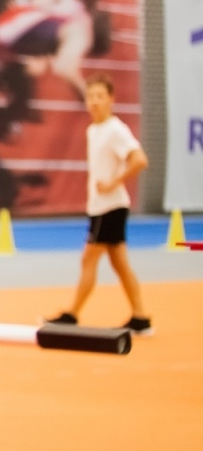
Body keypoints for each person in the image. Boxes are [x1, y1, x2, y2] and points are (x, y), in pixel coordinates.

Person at [47, 73, 151, 336]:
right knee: (119, 263)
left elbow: (139, 160)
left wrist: (114, 182)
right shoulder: (93, 130)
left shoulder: (116, 130)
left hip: (110, 207)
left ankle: (72, 314)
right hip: (101, 207)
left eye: (99, 97)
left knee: (89, 258)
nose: (93, 102)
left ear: (111, 100)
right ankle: (140, 317)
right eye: (90, 96)